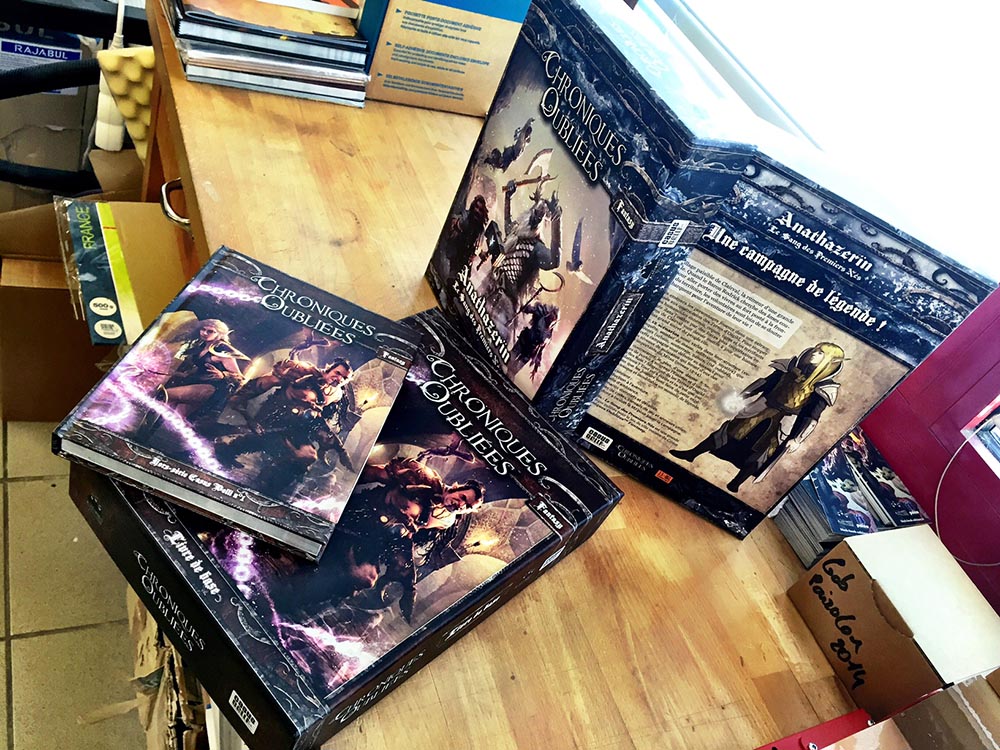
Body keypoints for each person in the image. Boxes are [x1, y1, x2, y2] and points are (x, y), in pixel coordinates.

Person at [671, 342, 846, 492]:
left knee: (764, 450)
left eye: (821, 353)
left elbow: (812, 416)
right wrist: (743, 395)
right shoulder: (791, 366)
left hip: (786, 419)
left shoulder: (825, 387)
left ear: (830, 362)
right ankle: (692, 453)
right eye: (816, 350)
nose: (814, 353)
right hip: (763, 405)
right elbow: (766, 382)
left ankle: (736, 483)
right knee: (730, 430)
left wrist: (798, 439)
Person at [215, 358, 355, 495]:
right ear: (329, 368)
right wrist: (240, 398)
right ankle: (227, 451)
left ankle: (269, 482)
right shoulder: (303, 371)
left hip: (297, 427)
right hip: (274, 417)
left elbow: (319, 416)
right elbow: (269, 381)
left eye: (344, 378)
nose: (339, 379)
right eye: (337, 373)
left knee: (308, 456)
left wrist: (334, 444)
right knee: (260, 440)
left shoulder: (337, 394)